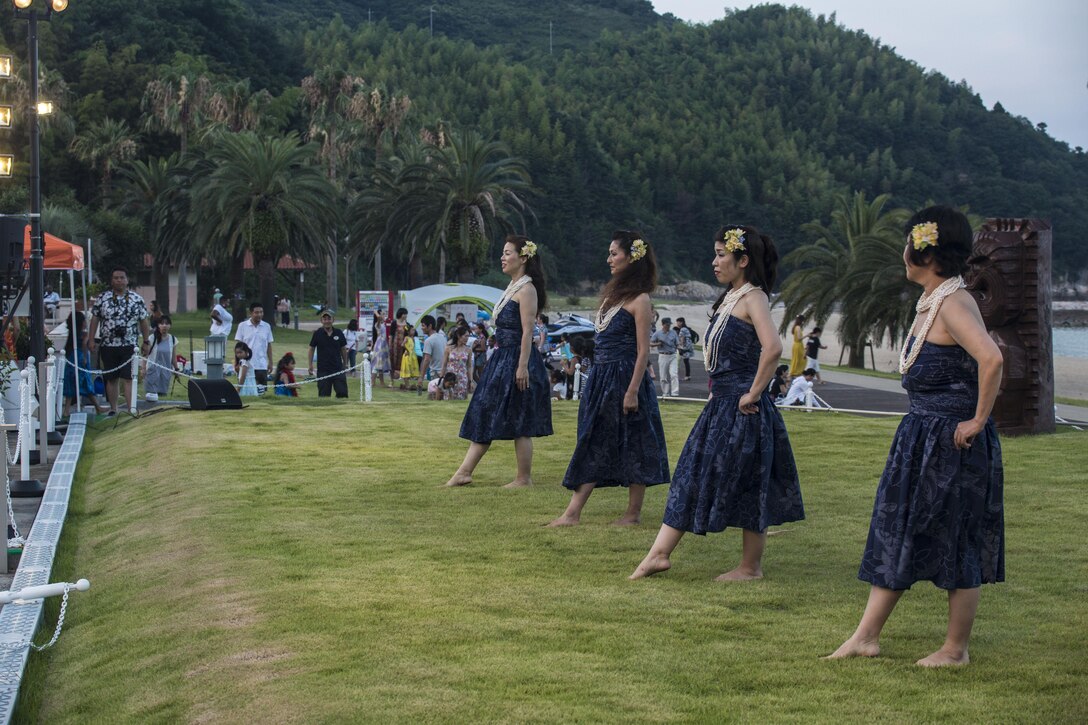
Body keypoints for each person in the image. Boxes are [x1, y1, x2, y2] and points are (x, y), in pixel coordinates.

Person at [827, 206, 1004, 667]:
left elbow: (992, 360)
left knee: (956, 537)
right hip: (921, 438)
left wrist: (977, 421)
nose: (903, 250)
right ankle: (866, 636)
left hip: (952, 443)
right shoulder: (934, 300)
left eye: (908, 241)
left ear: (923, 251)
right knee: (898, 531)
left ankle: (955, 649)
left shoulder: (953, 302)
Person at [631, 225, 804, 581]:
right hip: (721, 403)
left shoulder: (753, 296)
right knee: (693, 474)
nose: (714, 262)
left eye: (721, 255)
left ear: (743, 261)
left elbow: (772, 348)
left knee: (748, 481)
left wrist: (754, 393)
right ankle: (659, 554)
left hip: (742, 407)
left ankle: (749, 567)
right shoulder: (731, 297)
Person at [550, 231, 670, 526]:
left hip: (626, 377)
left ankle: (628, 514)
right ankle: (573, 513)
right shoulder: (612, 297)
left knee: (636, 442)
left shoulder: (640, 300)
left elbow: (644, 352)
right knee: (593, 439)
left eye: (614, 253)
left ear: (632, 258)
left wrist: (631, 391)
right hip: (602, 376)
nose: (609, 259)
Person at [446, 235, 552, 488]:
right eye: (503, 253)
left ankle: (522, 478)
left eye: (507, 253)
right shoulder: (513, 286)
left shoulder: (526, 289)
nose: (502, 258)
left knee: (519, 418)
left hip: (517, 359)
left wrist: (522, 366)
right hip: (502, 358)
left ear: (523, 257)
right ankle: (464, 472)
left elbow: (529, 331)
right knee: (485, 409)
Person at [88, 266, 151, 415]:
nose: (119, 280)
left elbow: (143, 321)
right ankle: (113, 408)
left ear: (127, 280)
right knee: (111, 378)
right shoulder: (103, 299)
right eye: (116, 278)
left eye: (122, 277)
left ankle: (131, 409)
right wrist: (91, 339)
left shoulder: (136, 299)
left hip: (129, 344)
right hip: (108, 344)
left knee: (128, 377)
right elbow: (95, 319)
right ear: (111, 281)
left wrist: (146, 341)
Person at [62, 311, 108, 416]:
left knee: (71, 383)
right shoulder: (84, 334)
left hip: (72, 358)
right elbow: (84, 344)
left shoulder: (72, 335)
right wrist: (85, 357)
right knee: (86, 382)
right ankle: (97, 407)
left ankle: (66, 410)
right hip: (81, 358)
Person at [308, 309, 349, 398]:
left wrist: (345, 364)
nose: (327, 321)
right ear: (321, 321)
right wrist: (310, 365)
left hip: (338, 369)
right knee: (324, 395)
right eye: (325, 319)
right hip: (323, 370)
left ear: (333, 320)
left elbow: (343, 349)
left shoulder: (339, 333)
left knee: (342, 393)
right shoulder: (317, 333)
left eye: (329, 319)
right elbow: (311, 349)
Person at [234, 302, 274, 392]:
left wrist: (271, 362)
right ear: (251, 313)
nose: (259, 315)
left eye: (261, 312)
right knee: (245, 390)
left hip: (261, 364)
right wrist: (236, 362)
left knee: (261, 391)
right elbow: (238, 347)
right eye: (256, 312)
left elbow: (269, 345)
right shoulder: (242, 326)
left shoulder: (266, 326)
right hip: (246, 364)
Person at [143, 314, 176, 401]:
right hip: (152, 370)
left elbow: (173, 356)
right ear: (158, 325)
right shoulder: (152, 338)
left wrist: (176, 369)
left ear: (170, 325)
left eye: (167, 323)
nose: (164, 326)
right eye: (162, 323)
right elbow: (145, 354)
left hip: (166, 372)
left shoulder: (173, 339)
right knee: (151, 396)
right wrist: (143, 369)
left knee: (162, 396)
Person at [650, 316, 680, 397]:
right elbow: (650, 343)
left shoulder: (673, 333)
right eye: (667, 325)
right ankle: (665, 393)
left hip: (673, 355)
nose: (668, 326)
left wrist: (680, 348)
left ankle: (675, 393)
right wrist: (658, 344)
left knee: (674, 374)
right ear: (663, 324)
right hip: (663, 355)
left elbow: (677, 344)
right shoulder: (657, 333)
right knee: (663, 376)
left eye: (669, 324)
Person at [440, 324, 471, 400]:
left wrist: (470, 380)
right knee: (448, 397)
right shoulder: (448, 348)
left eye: (468, 336)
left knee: (461, 399)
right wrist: (441, 377)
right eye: (465, 336)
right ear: (458, 336)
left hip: (462, 378)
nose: (467, 338)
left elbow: (469, 366)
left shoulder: (468, 350)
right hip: (450, 377)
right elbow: (444, 364)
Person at [419, 315, 447, 388]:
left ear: (430, 326)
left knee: (435, 395)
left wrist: (421, 377)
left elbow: (426, 359)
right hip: (444, 371)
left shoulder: (429, 340)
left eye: (423, 326)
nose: (422, 328)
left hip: (435, 372)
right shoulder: (442, 337)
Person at [370, 314, 391, 388]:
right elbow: (378, 321)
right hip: (380, 345)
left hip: (384, 344)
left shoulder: (384, 324)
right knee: (377, 364)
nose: (384, 316)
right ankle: (372, 382)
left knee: (381, 365)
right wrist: (377, 315)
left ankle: (382, 382)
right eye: (383, 314)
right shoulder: (377, 324)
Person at [399, 324, 419, 390]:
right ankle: (407, 385)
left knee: (412, 370)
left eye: (414, 330)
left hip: (412, 356)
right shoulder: (406, 338)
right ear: (408, 331)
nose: (414, 331)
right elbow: (402, 344)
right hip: (407, 356)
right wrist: (407, 349)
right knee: (406, 370)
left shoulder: (413, 338)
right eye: (412, 330)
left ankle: (409, 385)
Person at [391, 308, 408, 381]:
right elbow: (391, 335)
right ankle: (392, 378)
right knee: (393, 360)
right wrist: (390, 344)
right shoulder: (394, 322)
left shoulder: (406, 323)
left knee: (401, 360)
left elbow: (406, 335)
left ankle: (400, 375)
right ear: (401, 314)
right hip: (394, 344)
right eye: (405, 314)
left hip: (402, 345)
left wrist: (404, 343)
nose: (406, 315)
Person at [471, 322, 489, 386]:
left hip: (480, 357)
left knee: (480, 373)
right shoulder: (479, 337)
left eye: (476, 329)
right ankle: (480, 385)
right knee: (473, 373)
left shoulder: (482, 338)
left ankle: (482, 386)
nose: (475, 330)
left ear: (480, 329)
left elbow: (483, 349)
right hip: (477, 357)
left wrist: (474, 349)